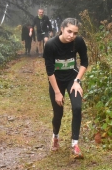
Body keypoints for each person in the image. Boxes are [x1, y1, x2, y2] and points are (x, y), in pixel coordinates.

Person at [43, 18, 88, 159]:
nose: (72, 36)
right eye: (69, 31)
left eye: (75, 33)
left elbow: (85, 62)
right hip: (56, 81)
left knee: (77, 108)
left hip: (72, 79)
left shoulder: (78, 42)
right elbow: (50, 71)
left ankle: (75, 144)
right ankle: (55, 136)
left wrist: (77, 81)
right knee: (58, 113)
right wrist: (57, 92)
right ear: (62, 29)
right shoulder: (51, 45)